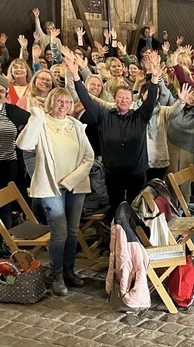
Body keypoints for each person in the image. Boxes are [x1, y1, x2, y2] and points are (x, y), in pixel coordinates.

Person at [16, 87, 95, 295]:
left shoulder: (75, 125)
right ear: (51, 102)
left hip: (75, 185)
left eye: (67, 102)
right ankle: (56, 274)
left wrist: (71, 180)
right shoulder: (42, 123)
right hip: (50, 187)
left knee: (72, 231)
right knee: (59, 233)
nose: (63, 106)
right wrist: (36, 116)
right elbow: (23, 144)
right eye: (59, 101)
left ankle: (69, 270)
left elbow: (89, 157)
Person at [68, 49, 159, 222]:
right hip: (113, 173)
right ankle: (114, 234)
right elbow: (86, 99)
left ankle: (134, 236)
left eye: (127, 98)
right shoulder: (103, 116)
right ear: (114, 99)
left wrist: (154, 78)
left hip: (136, 173)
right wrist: (75, 75)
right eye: (120, 98)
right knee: (115, 207)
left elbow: (150, 100)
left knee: (136, 209)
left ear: (132, 101)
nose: (123, 100)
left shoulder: (140, 116)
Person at [0, 77, 30, 235]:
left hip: (8, 165)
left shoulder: (12, 111)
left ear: (6, 93)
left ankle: (6, 242)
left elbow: (32, 120)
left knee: (5, 207)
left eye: (1, 91)